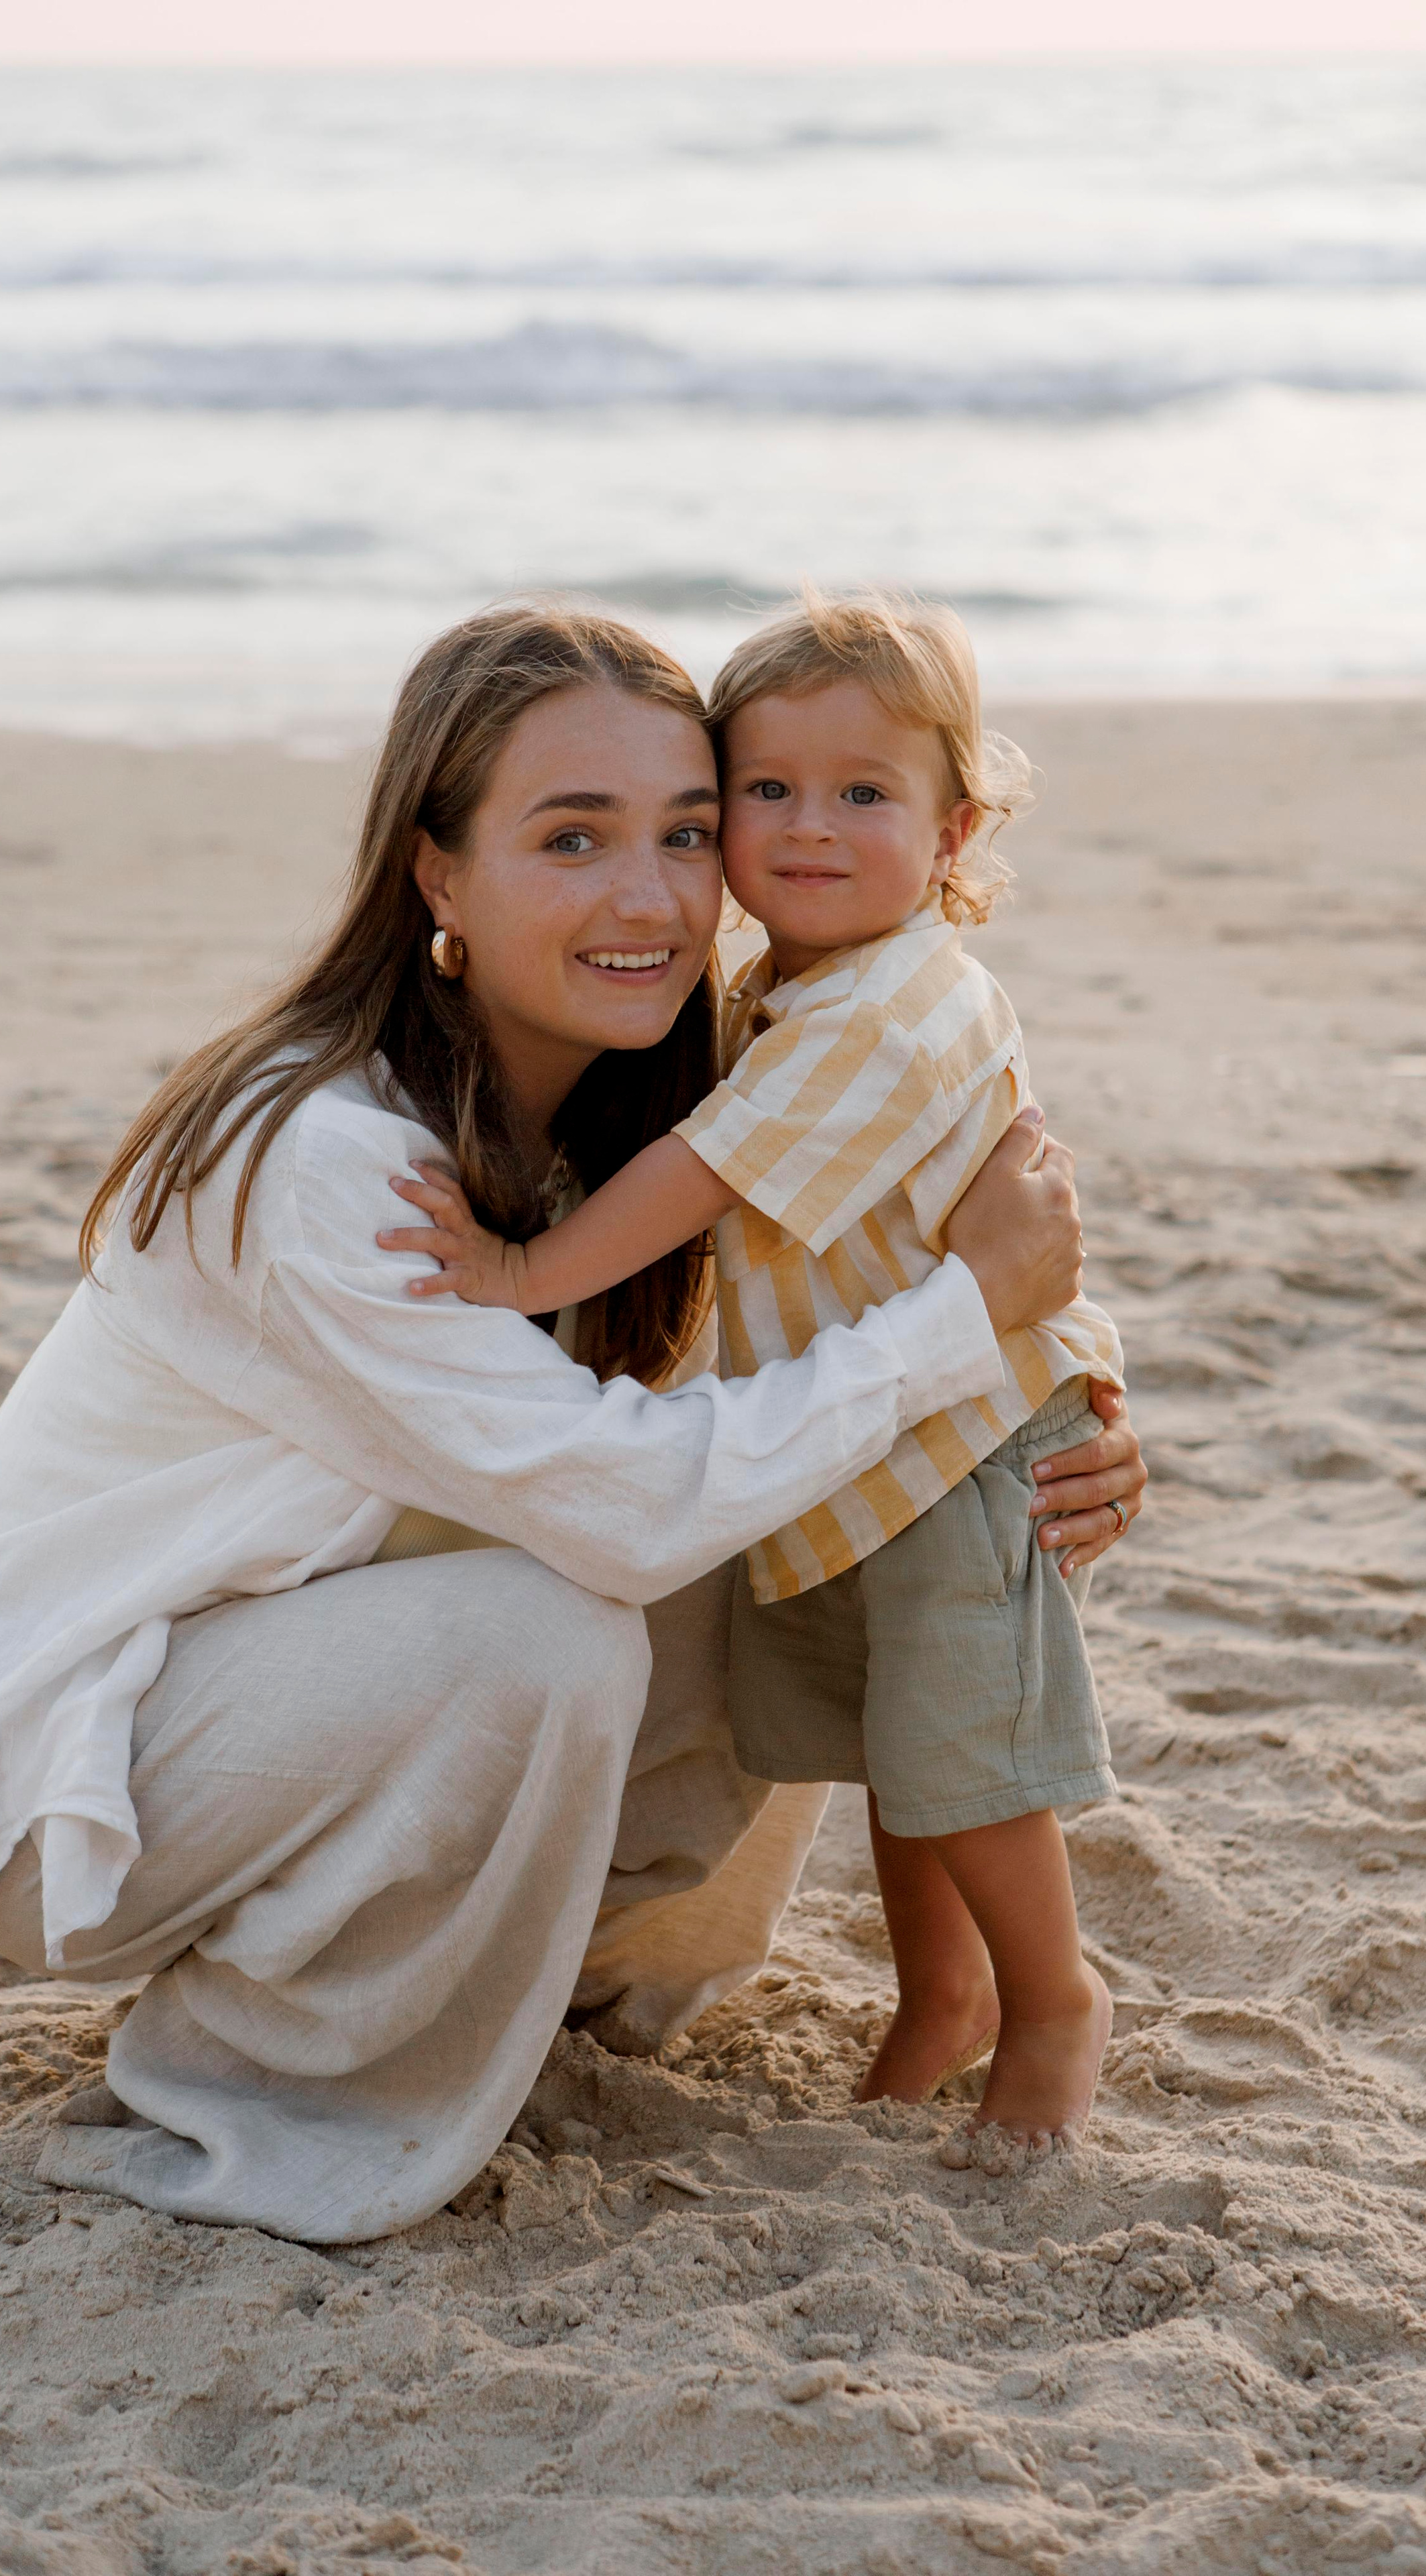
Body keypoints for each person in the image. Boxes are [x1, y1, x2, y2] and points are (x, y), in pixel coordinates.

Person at [0, 602, 1144, 2244]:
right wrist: (962, 1328)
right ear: (436, 876)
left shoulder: (645, 1128)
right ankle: (285, 2078)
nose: (648, 897)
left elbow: (900, 1276)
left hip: (296, 1680)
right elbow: (634, 1507)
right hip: (79, 1775)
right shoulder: (325, 1160)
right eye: (571, 837)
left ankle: (559, 1974)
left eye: (688, 833)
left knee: (795, 1539)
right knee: (551, 1622)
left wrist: (1049, 1412)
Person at [379, 593, 1125, 2168]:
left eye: (863, 794)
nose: (804, 828)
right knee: (903, 1751)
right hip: (879, 1436)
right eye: (762, 793)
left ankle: (1051, 2000)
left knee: (967, 1759)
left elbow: (699, 1176)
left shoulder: (881, 1010)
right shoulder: (810, 991)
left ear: (951, 829)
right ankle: (942, 1998)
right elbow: (1002, 1188)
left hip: (948, 1444)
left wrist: (520, 1274)